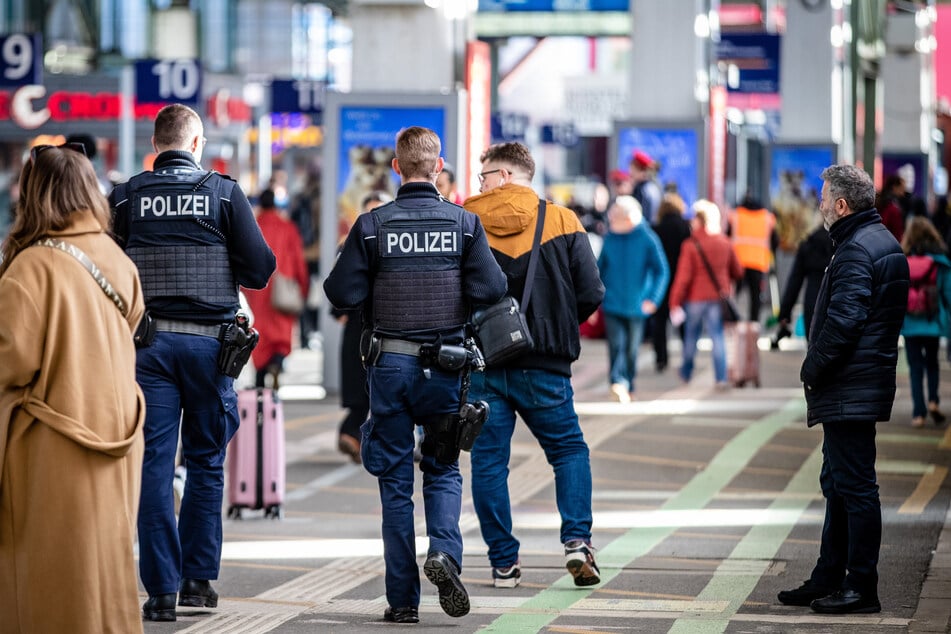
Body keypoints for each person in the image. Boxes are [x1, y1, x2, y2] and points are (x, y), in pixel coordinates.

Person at [324, 126, 507, 624]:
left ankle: (402, 601)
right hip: (445, 367)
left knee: (395, 481)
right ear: (438, 166)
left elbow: (339, 292)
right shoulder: (465, 224)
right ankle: (445, 552)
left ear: (397, 168)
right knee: (444, 467)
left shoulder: (371, 225)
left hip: (389, 365)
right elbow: (492, 288)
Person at [110, 103, 276, 622]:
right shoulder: (223, 193)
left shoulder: (127, 195)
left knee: (153, 465)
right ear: (197, 144)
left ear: (156, 145)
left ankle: (159, 591)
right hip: (211, 348)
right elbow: (260, 269)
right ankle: (198, 583)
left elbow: (109, 264)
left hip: (147, 349)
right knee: (205, 460)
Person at [0, 144, 146, 632]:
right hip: (116, 437)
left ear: (35, 195)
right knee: (102, 569)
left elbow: (12, 360)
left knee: (48, 577)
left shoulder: (31, 267)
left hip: (51, 444)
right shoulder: (116, 258)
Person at [464, 141, 605, 589]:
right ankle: (577, 543)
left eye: (484, 176)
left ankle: (504, 564)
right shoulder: (562, 220)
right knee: (568, 450)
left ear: (504, 176)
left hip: (485, 362)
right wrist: (557, 327)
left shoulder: (466, 221)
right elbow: (592, 292)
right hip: (546, 363)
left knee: (488, 464)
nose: (479, 185)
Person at [778, 164, 908, 615]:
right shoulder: (877, 241)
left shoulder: (856, 249)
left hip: (849, 386)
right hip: (859, 383)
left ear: (840, 204)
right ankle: (829, 575)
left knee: (854, 486)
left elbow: (845, 320)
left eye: (823, 197)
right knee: (837, 482)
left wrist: (812, 367)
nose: (817, 205)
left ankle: (860, 586)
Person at [333, 190, 393, 463]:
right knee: (363, 388)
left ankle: (354, 436)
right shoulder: (350, 245)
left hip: (384, 326)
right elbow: (338, 288)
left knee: (372, 389)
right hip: (362, 326)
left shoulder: (391, 242)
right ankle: (355, 436)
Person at [597, 195, 669, 402]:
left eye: (615, 218)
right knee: (616, 345)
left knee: (631, 349)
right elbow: (598, 269)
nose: (611, 221)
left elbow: (661, 270)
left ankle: (628, 383)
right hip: (612, 303)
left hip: (638, 305)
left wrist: (653, 299)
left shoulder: (647, 238)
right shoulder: (611, 238)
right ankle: (617, 382)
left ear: (628, 220)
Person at [668, 200, 743, 389]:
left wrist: (674, 301)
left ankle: (686, 372)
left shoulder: (690, 245)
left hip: (695, 299)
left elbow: (683, 277)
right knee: (717, 337)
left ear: (700, 220)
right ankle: (720, 378)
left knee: (691, 337)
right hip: (718, 298)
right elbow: (738, 270)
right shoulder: (725, 242)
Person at [243, 188, 309, 389]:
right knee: (280, 333)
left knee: (258, 332)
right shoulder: (287, 227)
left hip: (256, 290)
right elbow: (299, 261)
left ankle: (260, 378)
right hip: (283, 289)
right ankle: (278, 362)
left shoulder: (251, 226)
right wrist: (302, 289)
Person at [900, 216, 950, 428]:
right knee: (932, 363)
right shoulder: (940, 263)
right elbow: (947, 293)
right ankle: (933, 401)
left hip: (910, 323)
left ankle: (918, 413)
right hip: (932, 321)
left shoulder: (902, 261)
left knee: (915, 367)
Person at [651, 192, 692, 372]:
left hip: (662, 280)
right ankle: (686, 356)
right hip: (681, 279)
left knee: (660, 322)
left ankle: (661, 358)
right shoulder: (685, 227)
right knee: (682, 320)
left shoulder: (657, 228)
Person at [773, 222, 833, 346]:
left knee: (812, 347)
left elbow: (794, 282)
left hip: (812, 303)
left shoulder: (808, 245)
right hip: (834, 302)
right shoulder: (840, 246)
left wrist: (785, 314)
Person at [728, 193, 778, 324]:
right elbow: (775, 241)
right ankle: (754, 323)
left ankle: (733, 320)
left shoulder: (736, 215)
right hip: (758, 262)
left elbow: (727, 237)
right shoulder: (767, 218)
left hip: (738, 262)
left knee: (734, 294)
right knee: (755, 297)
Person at [629, 150, 662, 224]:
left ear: (640, 170)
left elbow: (645, 217)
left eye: (632, 170)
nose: (630, 173)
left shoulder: (643, 189)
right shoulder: (651, 186)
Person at [876, 174, 906, 243]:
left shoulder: (879, 202)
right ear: (894, 187)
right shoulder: (893, 208)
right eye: (901, 189)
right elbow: (897, 232)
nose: (903, 193)